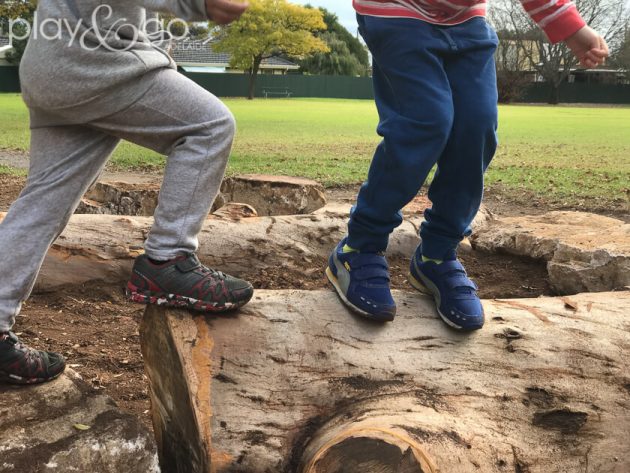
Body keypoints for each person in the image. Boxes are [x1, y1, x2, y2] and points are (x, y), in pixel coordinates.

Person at [0, 0, 253, 385]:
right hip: (92, 63)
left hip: (57, 62)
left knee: (43, 202)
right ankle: (167, 260)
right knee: (209, 127)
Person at [326, 0, 608, 330]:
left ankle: (437, 255)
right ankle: (359, 247)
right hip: (397, 13)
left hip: (467, 22)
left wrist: (572, 28)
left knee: (477, 128)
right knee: (425, 123)